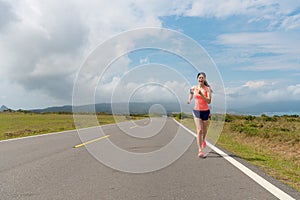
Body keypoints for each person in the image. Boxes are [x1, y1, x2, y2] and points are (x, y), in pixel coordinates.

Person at [187, 72, 212, 158]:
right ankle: (200, 150)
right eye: (199, 77)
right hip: (196, 111)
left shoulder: (207, 89)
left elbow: (209, 101)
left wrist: (202, 95)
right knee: (199, 130)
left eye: (202, 78)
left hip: (205, 111)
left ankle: (203, 140)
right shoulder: (193, 88)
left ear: (204, 79)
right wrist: (189, 100)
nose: (201, 79)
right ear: (197, 79)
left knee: (204, 130)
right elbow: (191, 93)